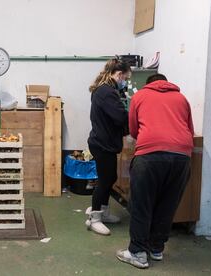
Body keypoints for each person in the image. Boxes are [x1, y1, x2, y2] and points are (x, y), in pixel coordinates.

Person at [116, 74, 194, 269]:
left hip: (149, 155)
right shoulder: (182, 98)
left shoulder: (140, 96)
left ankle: (137, 253)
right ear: (167, 82)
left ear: (147, 84)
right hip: (181, 157)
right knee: (167, 204)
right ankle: (156, 249)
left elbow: (133, 129)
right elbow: (189, 129)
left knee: (142, 204)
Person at [85, 58, 131, 235]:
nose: (125, 82)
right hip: (102, 143)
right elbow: (120, 118)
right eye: (125, 78)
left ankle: (102, 211)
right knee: (105, 180)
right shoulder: (107, 92)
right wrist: (130, 121)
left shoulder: (105, 90)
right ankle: (94, 218)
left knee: (109, 177)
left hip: (103, 141)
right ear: (119, 74)